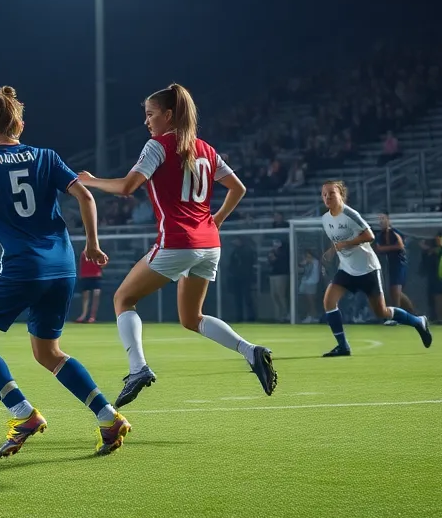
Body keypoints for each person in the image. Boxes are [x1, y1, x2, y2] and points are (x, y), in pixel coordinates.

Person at [0, 86, 130, 457]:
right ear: (20, 123)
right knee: (48, 352)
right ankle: (108, 416)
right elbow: (85, 195)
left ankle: (23, 414)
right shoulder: (46, 157)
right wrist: (93, 244)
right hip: (63, 265)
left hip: (23, 267)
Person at [78, 83, 276, 406]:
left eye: (150, 114)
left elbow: (129, 186)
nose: (147, 121)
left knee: (123, 298)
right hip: (210, 244)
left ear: (168, 115)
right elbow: (237, 188)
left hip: (177, 241)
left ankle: (138, 368)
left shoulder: (157, 146)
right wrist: (218, 219)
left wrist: (90, 181)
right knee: (191, 317)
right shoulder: (206, 149)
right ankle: (250, 351)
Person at [319, 181, 432, 357]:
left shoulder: (350, 214)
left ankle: (418, 321)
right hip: (347, 269)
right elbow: (337, 241)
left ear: (341, 194)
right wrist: (332, 251)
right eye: (324, 194)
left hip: (368, 269)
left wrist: (345, 244)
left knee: (382, 312)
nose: (327, 197)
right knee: (329, 301)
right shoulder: (326, 219)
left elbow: (370, 235)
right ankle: (343, 346)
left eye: (331, 193)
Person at [374, 213, 417, 325]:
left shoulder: (394, 232)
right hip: (391, 265)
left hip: (400, 264)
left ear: (388, 220)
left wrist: (387, 248)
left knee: (396, 292)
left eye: (383, 219)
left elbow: (400, 246)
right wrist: (390, 248)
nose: (381, 222)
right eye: (379, 220)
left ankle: (396, 318)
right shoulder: (381, 235)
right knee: (395, 293)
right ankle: (414, 315)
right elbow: (379, 249)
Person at [74, 250, 103, 323]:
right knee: (85, 296)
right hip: (86, 276)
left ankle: (92, 316)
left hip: (96, 276)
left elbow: (102, 263)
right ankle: (83, 315)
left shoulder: (99, 253)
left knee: (96, 294)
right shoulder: (84, 253)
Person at [298, 249, 322, 323]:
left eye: (308, 255)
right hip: (305, 282)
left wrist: (305, 261)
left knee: (311, 301)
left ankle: (313, 316)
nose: (307, 256)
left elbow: (304, 263)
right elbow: (300, 266)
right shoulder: (307, 262)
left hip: (312, 283)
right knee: (305, 300)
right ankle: (309, 315)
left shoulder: (315, 261)